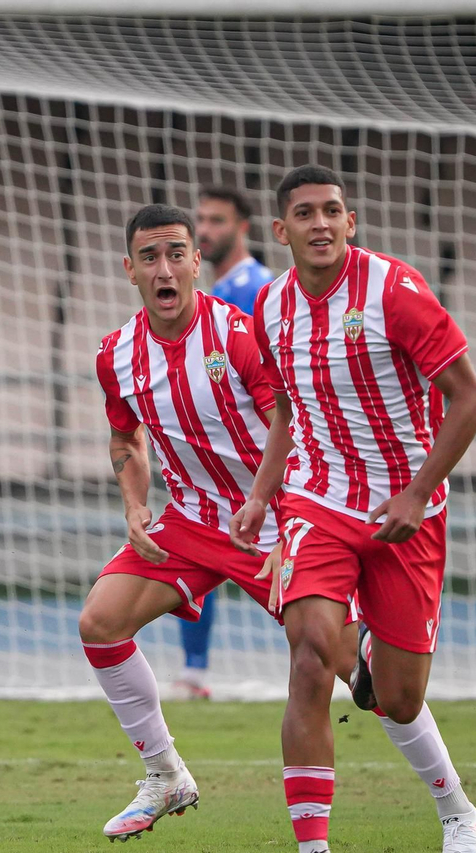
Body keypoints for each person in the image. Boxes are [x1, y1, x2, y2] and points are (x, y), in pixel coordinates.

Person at [82, 203, 476, 853]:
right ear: (130, 270)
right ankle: (166, 775)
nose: (165, 267)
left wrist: (270, 499)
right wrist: (133, 501)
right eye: (150, 257)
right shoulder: (115, 355)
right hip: (191, 523)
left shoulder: (238, 333)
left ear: (195, 261)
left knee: (363, 678)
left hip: (272, 520)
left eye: (177, 252)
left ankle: (457, 809)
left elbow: (286, 414)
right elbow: (126, 438)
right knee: (99, 622)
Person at [230, 165, 476, 853]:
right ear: (281, 231)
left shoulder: (394, 292)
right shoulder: (271, 306)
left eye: (333, 211)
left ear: (351, 222)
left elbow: (469, 400)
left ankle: (459, 814)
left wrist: (417, 490)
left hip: (405, 515)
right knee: (311, 648)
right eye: (305, 214)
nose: (321, 224)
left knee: (396, 698)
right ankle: (313, 852)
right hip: (317, 501)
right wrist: (261, 495)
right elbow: (285, 410)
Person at [164, 187, 277, 701]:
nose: (205, 229)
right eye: (201, 220)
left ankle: (358, 646)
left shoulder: (255, 289)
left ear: (243, 228)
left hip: (260, 461)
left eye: (216, 221)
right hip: (220, 464)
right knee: (196, 558)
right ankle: (194, 672)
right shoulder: (214, 291)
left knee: (295, 574)